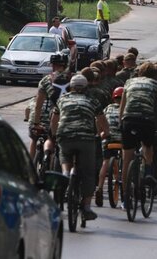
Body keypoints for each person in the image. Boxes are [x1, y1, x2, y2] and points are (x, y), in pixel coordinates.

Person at [51, 74, 109, 221]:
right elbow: (101, 120)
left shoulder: (62, 99)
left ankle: (65, 174)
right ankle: (87, 207)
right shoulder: (93, 101)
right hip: (86, 138)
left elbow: (54, 119)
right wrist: (105, 134)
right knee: (88, 172)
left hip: (65, 136)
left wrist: (53, 135)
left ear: (70, 86)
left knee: (64, 155)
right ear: (86, 87)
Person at [119, 62, 157, 208]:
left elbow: (122, 106)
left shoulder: (129, 82)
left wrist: (120, 123)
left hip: (129, 119)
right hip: (146, 120)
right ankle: (149, 171)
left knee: (127, 159)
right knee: (148, 147)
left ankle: (125, 197)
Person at [31, 54, 70, 159]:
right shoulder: (72, 79)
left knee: (42, 138)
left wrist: (36, 123)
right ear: (66, 65)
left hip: (51, 115)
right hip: (68, 116)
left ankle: (39, 161)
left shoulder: (45, 80)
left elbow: (38, 105)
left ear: (52, 65)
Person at [95, 86, 124, 207]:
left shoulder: (107, 108)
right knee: (127, 158)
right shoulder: (126, 108)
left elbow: (98, 119)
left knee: (105, 162)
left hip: (108, 139)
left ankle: (100, 187)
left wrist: (100, 132)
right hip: (122, 140)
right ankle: (124, 185)